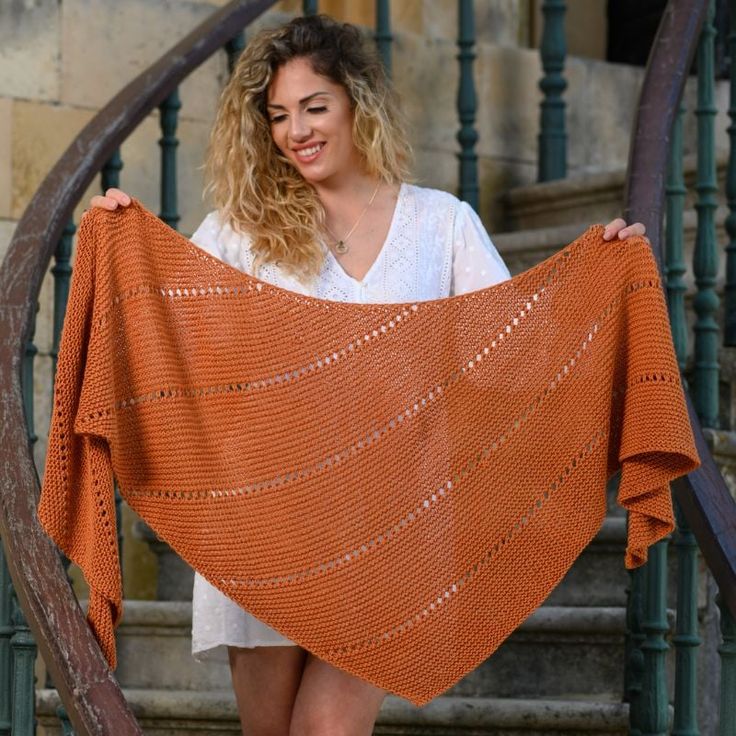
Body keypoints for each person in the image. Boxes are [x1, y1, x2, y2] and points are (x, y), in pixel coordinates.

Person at [89, 13, 646, 736]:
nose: (297, 131)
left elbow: (520, 358)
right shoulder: (240, 230)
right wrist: (123, 240)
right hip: (268, 521)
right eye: (279, 115)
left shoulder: (441, 224)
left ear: (358, 103)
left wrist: (599, 278)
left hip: (390, 528)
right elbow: (167, 329)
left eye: (315, 108)